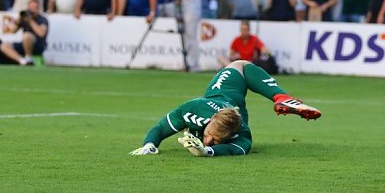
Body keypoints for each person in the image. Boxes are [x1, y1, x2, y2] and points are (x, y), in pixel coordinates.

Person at [129, 60, 321, 157]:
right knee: (241, 64)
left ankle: (282, 98)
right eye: (210, 134)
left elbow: (237, 149)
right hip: (229, 85)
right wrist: (150, 145)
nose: (210, 140)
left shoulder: (242, 131)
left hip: (236, 106)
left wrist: (208, 151)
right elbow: (161, 128)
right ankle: (281, 97)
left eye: (216, 139)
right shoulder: (194, 108)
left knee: (244, 68)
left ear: (232, 133)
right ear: (211, 120)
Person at [0, 0, 49, 66]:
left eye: (35, 8)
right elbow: (13, 31)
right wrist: (18, 20)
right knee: (4, 46)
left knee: (27, 35)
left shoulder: (42, 19)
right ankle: (22, 61)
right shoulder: (24, 18)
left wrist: (31, 21)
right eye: (31, 8)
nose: (32, 10)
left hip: (38, 45)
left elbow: (41, 33)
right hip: (24, 45)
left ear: (38, 9)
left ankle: (29, 57)